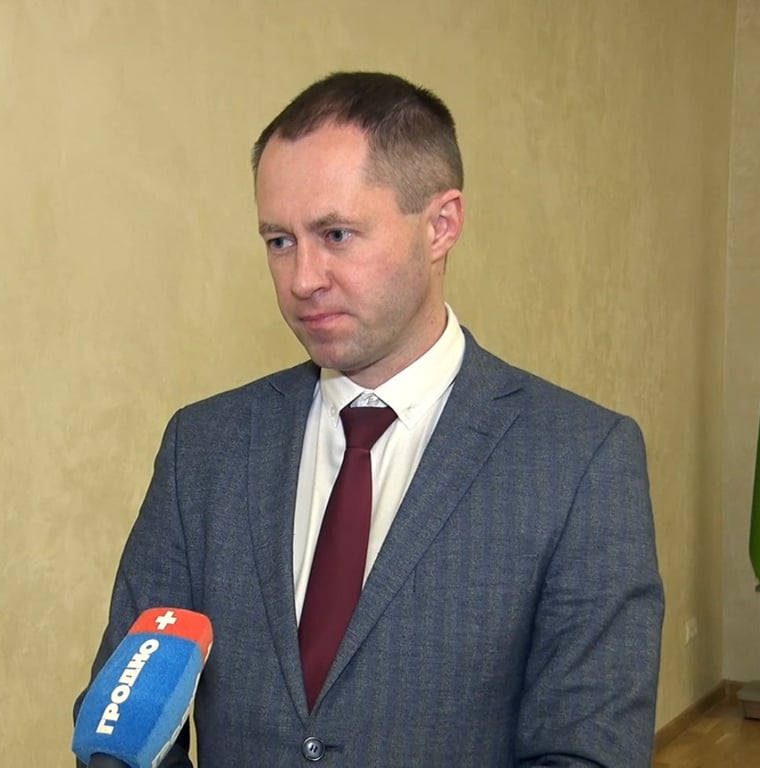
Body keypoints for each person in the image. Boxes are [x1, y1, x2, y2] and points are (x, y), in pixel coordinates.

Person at [75, 71, 664, 767]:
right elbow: (122, 719)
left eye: (337, 233)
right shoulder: (204, 448)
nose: (303, 279)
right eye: (279, 241)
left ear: (441, 225)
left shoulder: (580, 462)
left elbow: (587, 751)